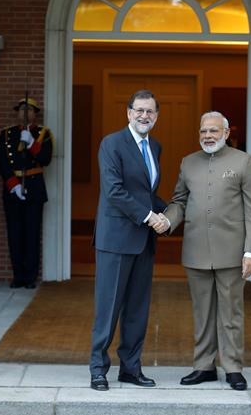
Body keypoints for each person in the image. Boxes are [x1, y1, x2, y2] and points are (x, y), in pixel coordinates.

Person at [152, 111, 251, 391]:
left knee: (231, 313)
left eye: (213, 130)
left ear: (226, 133)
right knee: (202, 313)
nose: (208, 136)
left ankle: (233, 367)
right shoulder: (188, 162)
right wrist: (167, 221)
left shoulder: (243, 161)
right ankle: (204, 366)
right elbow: (179, 201)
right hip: (196, 250)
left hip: (232, 252)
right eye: (203, 131)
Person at [89, 89, 167, 391]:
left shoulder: (155, 146)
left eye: (150, 111)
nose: (144, 116)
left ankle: (130, 369)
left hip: (143, 241)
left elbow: (146, 194)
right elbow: (114, 191)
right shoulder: (112, 143)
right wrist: (150, 217)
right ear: (129, 113)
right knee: (108, 308)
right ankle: (98, 369)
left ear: (156, 116)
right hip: (116, 240)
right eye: (139, 110)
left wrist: (171, 214)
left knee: (137, 309)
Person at [0, 97, 53, 289]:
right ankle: (18, 276)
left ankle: (30, 277)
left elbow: (45, 159)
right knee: (15, 234)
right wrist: (13, 185)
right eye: (22, 109)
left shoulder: (43, 134)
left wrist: (31, 144)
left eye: (29, 109)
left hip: (34, 188)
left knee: (32, 234)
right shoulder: (6, 134)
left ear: (35, 114)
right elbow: (2, 162)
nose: (25, 112)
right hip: (13, 189)